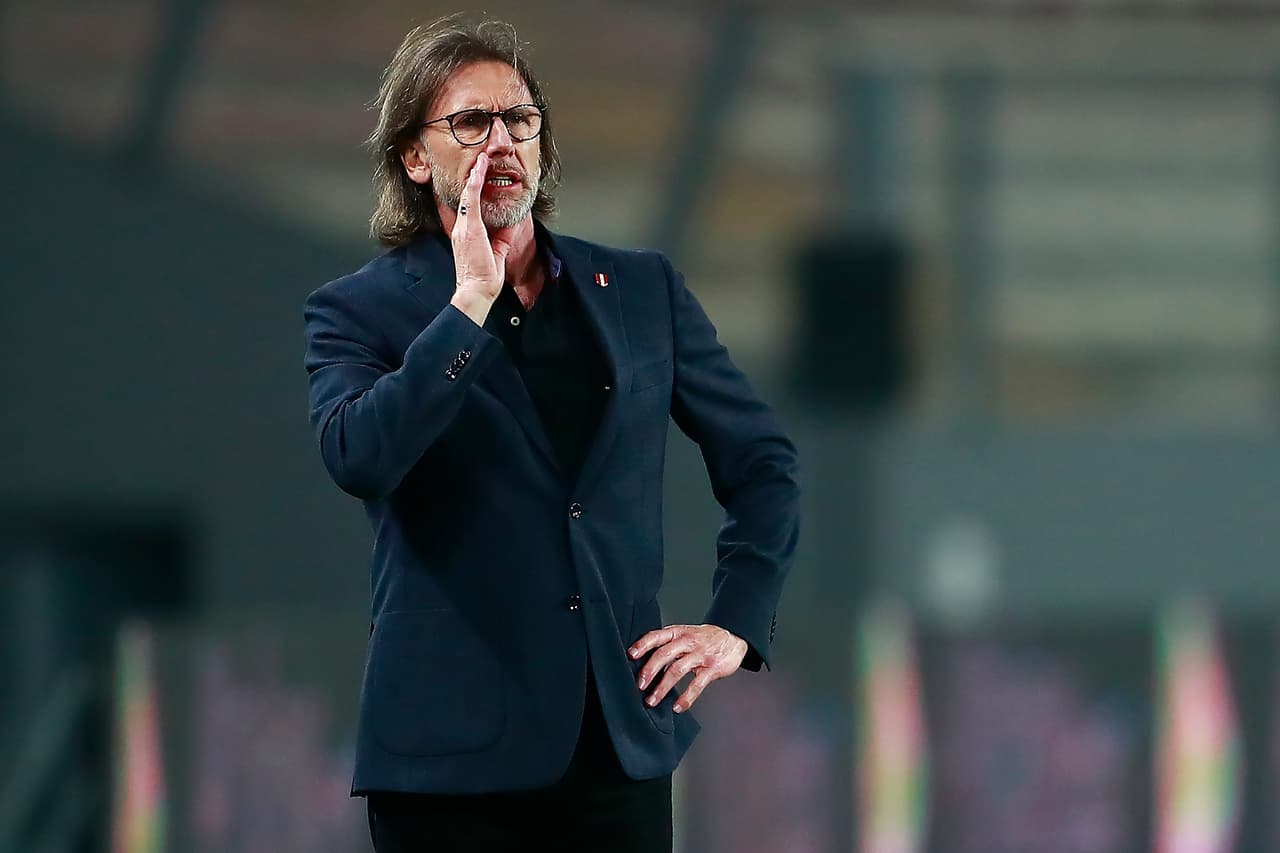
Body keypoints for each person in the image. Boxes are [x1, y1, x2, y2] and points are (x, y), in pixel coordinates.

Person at [302, 16, 800, 853]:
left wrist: (738, 621)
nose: (502, 141)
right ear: (416, 157)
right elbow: (359, 456)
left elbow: (763, 462)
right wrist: (468, 305)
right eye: (471, 122)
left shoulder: (641, 290)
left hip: (614, 749)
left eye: (520, 120)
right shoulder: (358, 309)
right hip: (447, 765)